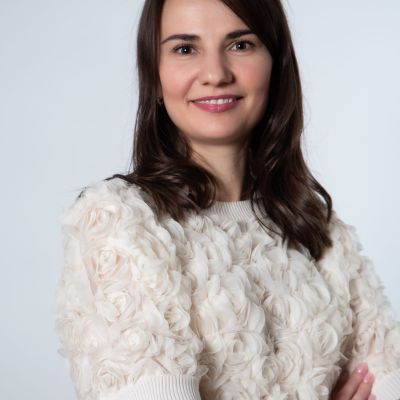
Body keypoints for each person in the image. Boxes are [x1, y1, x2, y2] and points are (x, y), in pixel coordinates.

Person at [54, 0, 400, 399]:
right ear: (154, 74)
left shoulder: (319, 230)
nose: (216, 74)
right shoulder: (120, 220)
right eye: (185, 48)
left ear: (276, 65)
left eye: (240, 45)